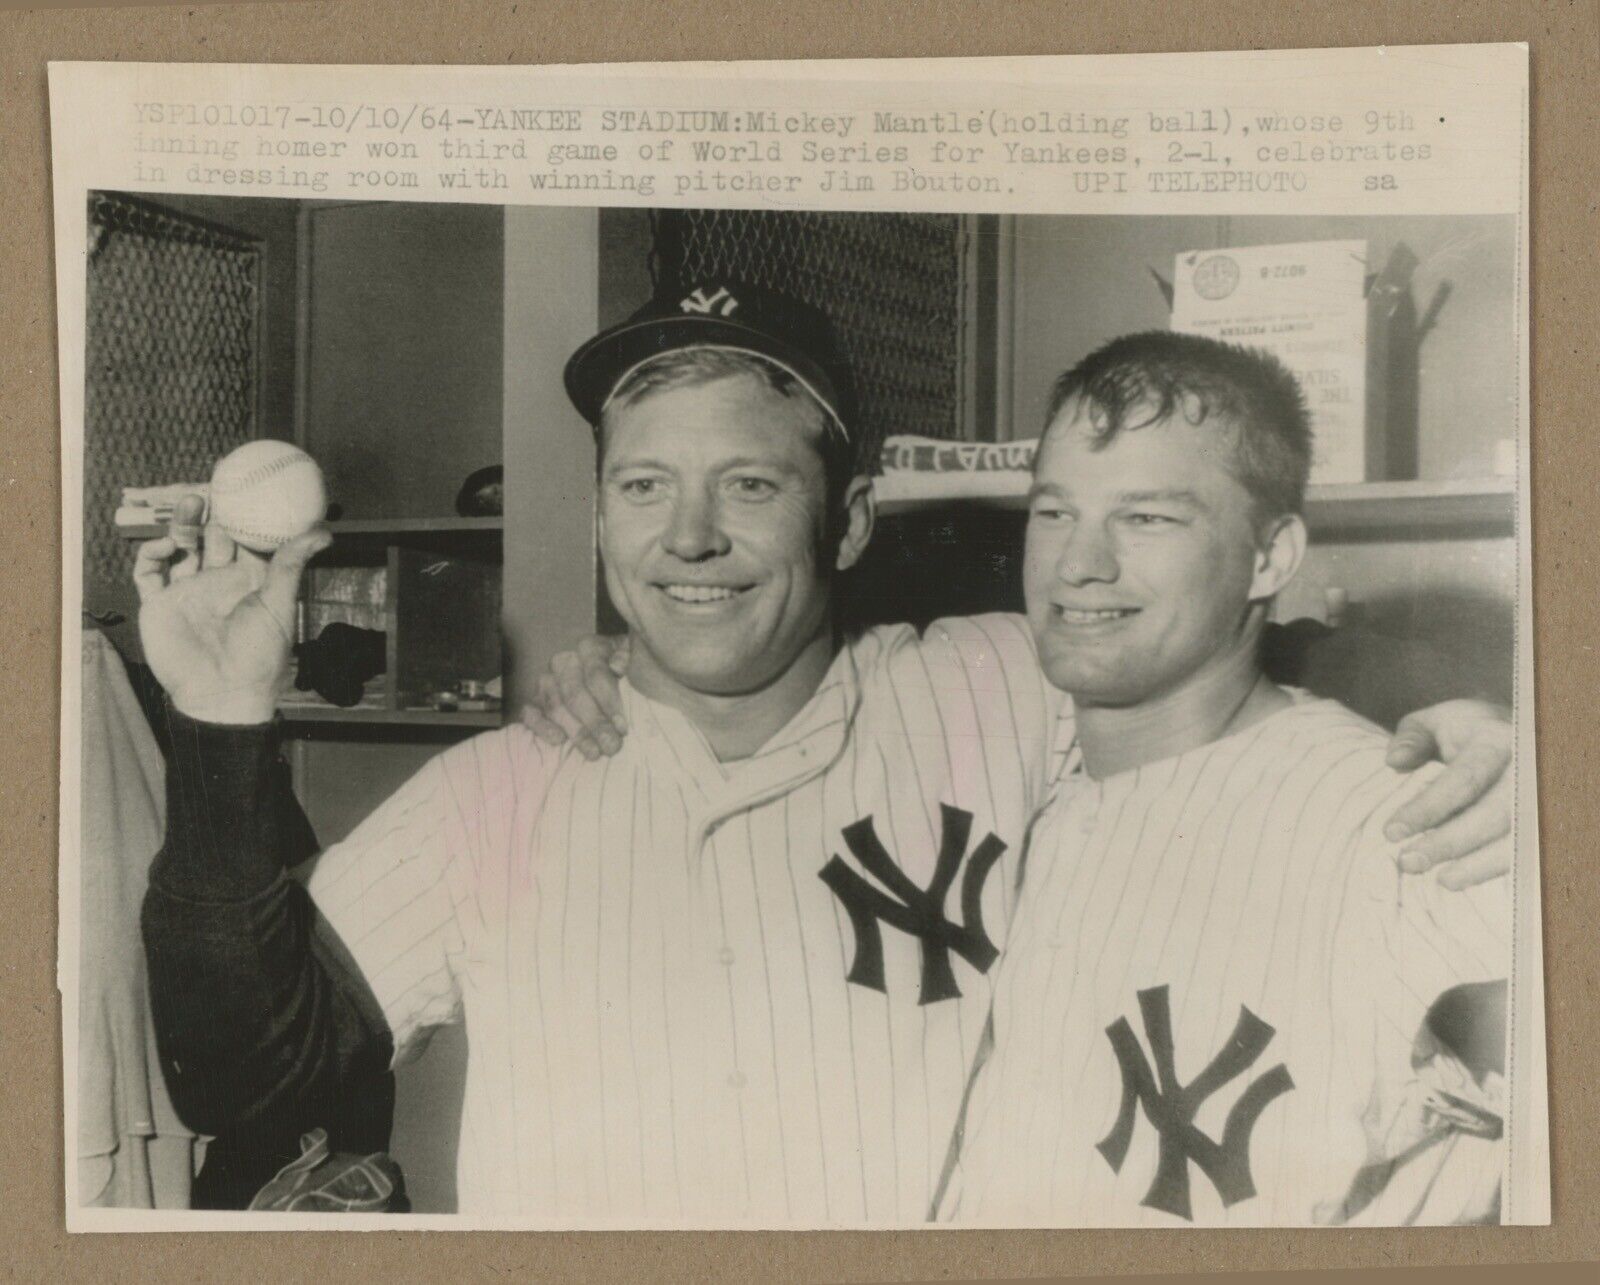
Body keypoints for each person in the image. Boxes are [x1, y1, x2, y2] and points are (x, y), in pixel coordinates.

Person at [137, 282, 1511, 1223]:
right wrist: (217, 727)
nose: (688, 539)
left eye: (749, 485)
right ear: (603, 515)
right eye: (642, 485)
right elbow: (244, 1071)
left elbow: (1194, 657)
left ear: (848, 521)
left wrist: (1453, 717)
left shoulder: (993, 682)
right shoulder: (503, 787)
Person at [935, 332, 1509, 1225]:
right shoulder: (1025, 773)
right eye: (1054, 512)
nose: (1079, 564)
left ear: (1272, 557)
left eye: (1147, 517)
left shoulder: (1409, 815)